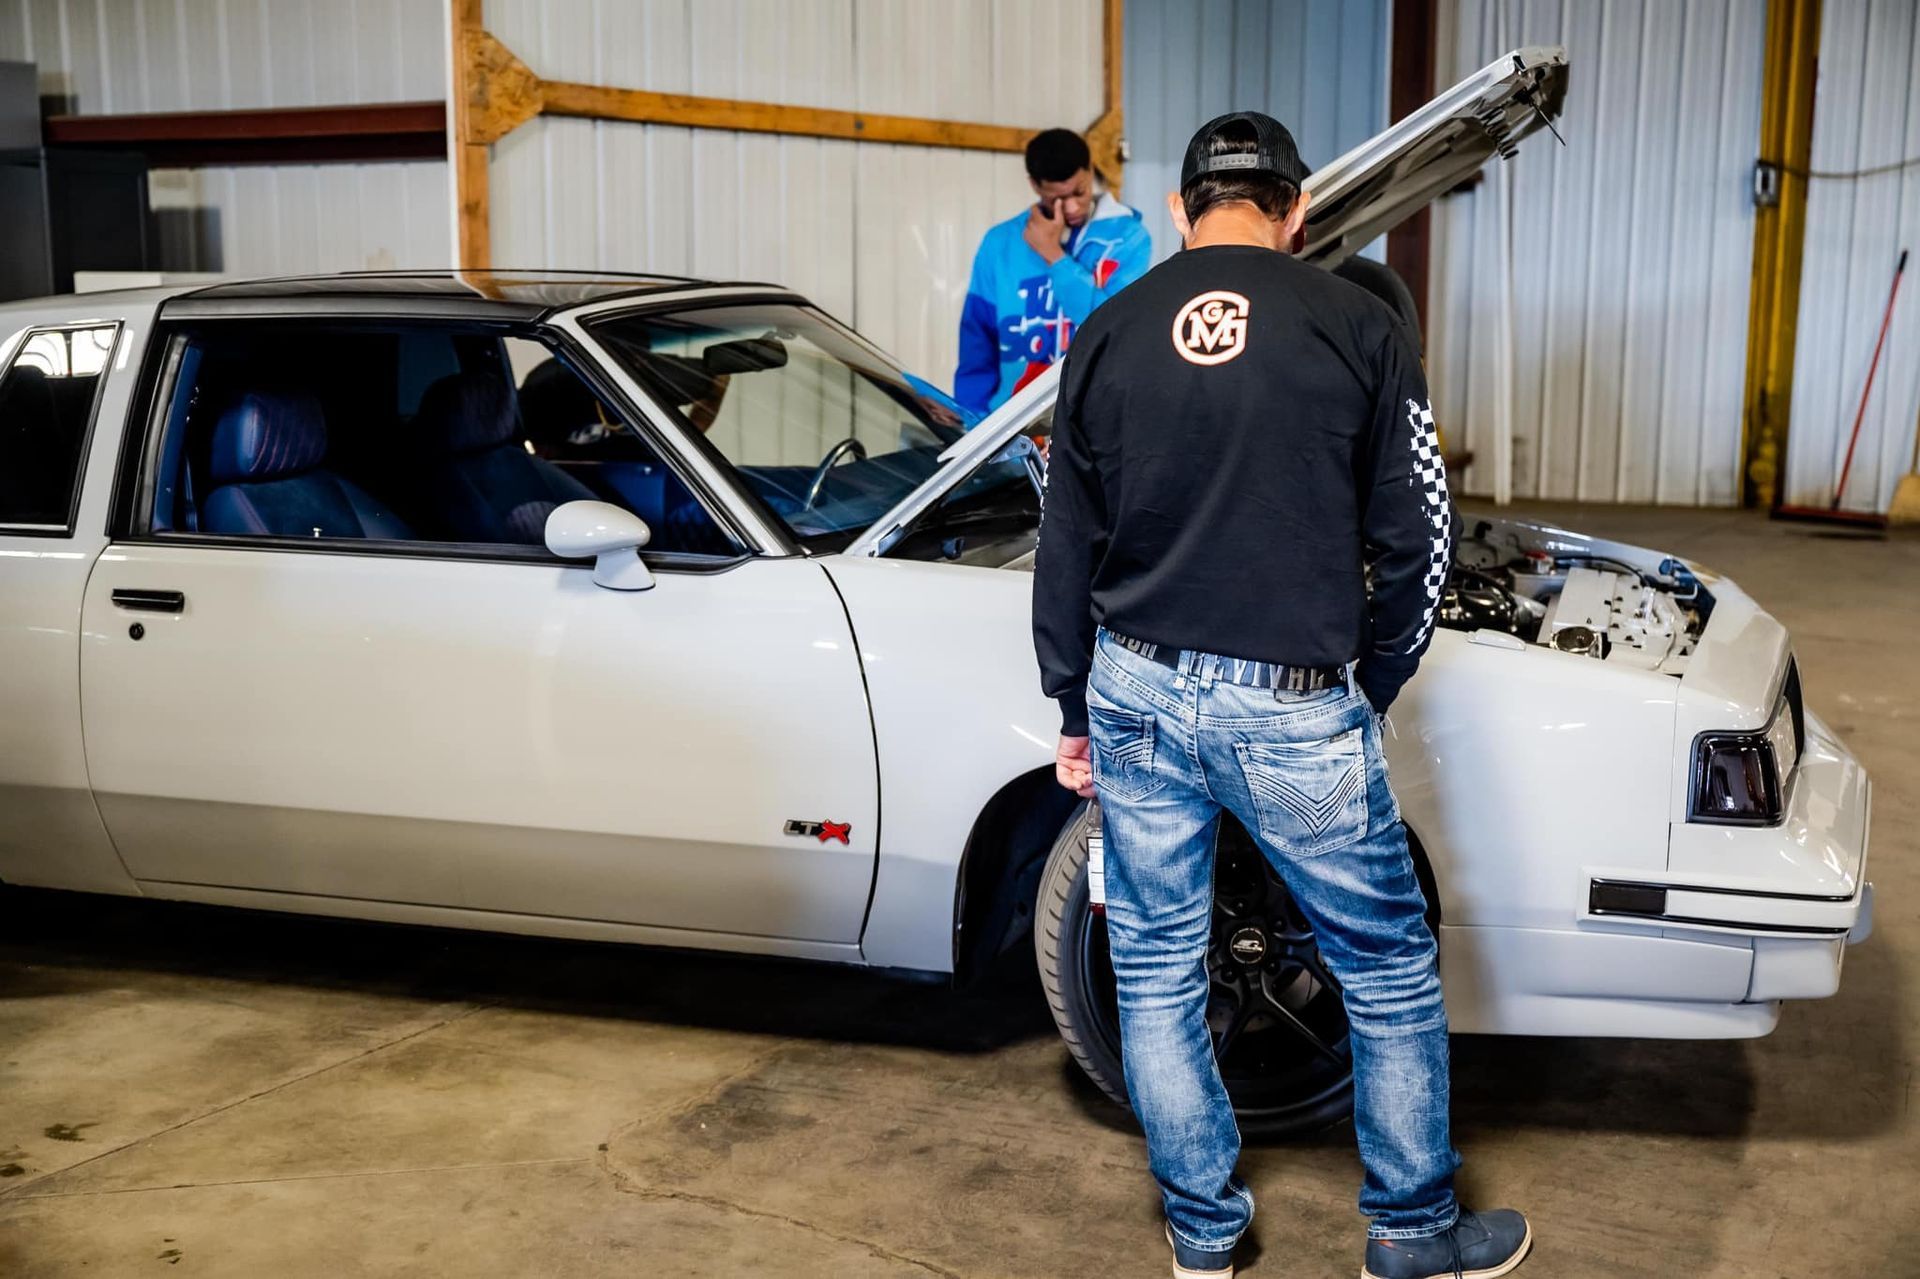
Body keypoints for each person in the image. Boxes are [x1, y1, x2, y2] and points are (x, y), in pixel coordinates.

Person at [1030, 111, 1531, 1279]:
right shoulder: (1359, 321)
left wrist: (1070, 705)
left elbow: (1065, 544)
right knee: (1388, 962)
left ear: (1177, 211)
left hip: (1135, 691)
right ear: (1298, 211)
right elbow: (1422, 535)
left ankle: (1205, 1237)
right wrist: (1377, 680)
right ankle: (1410, 1234)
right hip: (1292, 700)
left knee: (1154, 967)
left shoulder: (1104, 332)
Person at [953, 128, 1152, 415]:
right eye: (1056, 199)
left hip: (1097, 420)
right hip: (1011, 426)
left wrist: (1053, 255)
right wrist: (971, 421)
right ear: (1035, 185)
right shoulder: (999, 244)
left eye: (1079, 192)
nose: (1071, 207)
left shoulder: (1129, 239)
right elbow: (977, 342)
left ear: (1090, 170)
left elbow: (1113, 327)